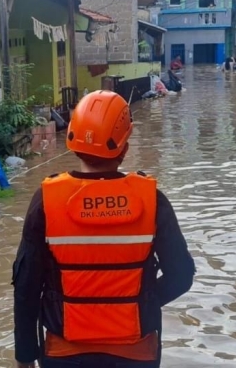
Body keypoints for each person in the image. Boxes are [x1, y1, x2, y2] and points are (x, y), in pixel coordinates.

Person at [12, 90, 196, 368]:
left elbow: (27, 286)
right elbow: (181, 275)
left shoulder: (47, 199)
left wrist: (25, 357)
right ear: (125, 147)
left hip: (65, 354)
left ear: (72, 141)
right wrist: (138, 305)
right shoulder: (151, 199)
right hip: (135, 354)